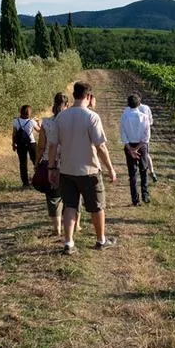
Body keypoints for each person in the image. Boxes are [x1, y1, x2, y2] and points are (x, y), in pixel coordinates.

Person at [47, 82, 118, 255]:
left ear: (74, 95)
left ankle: (69, 243)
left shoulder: (61, 117)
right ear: (89, 96)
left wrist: (51, 168)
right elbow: (100, 146)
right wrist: (110, 168)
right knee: (97, 206)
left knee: (70, 206)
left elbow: (53, 146)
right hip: (89, 170)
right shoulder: (92, 117)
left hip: (66, 170)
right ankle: (101, 240)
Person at [36, 92, 69, 235]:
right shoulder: (71, 123)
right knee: (71, 194)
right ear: (67, 105)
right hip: (68, 161)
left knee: (53, 196)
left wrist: (37, 162)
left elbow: (41, 146)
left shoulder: (46, 123)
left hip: (50, 162)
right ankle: (74, 225)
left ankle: (57, 229)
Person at [120, 94, 151, 206]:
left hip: (129, 146)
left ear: (128, 104)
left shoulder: (124, 116)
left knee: (132, 173)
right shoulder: (144, 117)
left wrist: (130, 149)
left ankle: (135, 199)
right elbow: (146, 137)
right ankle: (145, 195)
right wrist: (138, 148)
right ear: (139, 104)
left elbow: (123, 134)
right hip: (141, 146)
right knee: (144, 170)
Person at [13, 105, 40, 187]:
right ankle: (38, 179)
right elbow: (39, 130)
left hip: (20, 144)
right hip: (31, 143)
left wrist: (13, 144)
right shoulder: (32, 121)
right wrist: (38, 122)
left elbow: (14, 134)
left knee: (22, 163)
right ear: (29, 113)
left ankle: (25, 183)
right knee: (36, 161)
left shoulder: (16, 121)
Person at [137, 95, 158, 181]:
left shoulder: (131, 109)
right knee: (146, 154)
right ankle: (152, 172)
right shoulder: (146, 107)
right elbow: (151, 121)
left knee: (134, 153)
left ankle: (137, 174)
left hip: (135, 135)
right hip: (145, 135)